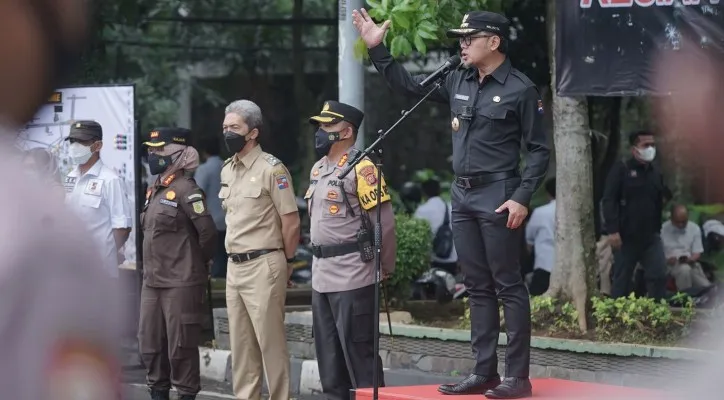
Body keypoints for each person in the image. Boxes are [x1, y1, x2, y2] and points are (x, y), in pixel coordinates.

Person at [352, 9, 550, 398]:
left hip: (500, 194)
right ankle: (484, 371)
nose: (461, 43)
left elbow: (539, 151)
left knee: (507, 284)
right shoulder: (458, 78)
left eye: (468, 37)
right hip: (462, 194)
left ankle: (518, 377)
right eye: (460, 38)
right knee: (475, 285)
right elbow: (410, 88)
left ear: (493, 42)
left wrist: (521, 198)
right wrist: (378, 49)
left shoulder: (520, 89)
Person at [0, 0, 124, 398]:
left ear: (98, 145)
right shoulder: (35, 225)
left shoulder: (103, 183)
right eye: (48, 18)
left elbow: (119, 227)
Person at [305, 100, 396, 400]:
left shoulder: (364, 168)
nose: (320, 132)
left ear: (346, 132)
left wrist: (384, 268)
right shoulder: (319, 168)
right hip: (322, 278)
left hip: (354, 276)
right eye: (319, 126)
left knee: (360, 360)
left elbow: (384, 224)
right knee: (329, 363)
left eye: (326, 126)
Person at [219, 99, 300, 400]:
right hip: (234, 267)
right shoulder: (228, 170)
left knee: (271, 344)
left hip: (264, 263)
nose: (228, 132)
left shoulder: (272, 170)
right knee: (241, 346)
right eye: (225, 127)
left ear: (252, 133)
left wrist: (288, 262)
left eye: (234, 127)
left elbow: (290, 223)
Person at [139, 127, 218, 400]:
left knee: (180, 348)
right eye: (150, 149)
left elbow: (208, 234)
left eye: (158, 150)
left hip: (181, 282)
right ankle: (158, 392)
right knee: (150, 345)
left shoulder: (187, 189)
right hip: (152, 282)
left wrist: (193, 265)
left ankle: (185, 394)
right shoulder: (156, 190)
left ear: (179, 154)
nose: (152, 154)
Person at [602, 130, 670, 301]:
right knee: (622, 279)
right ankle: (617, 316)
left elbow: (663, 196)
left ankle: (657, 312)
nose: (650, 148)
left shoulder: (655, 172)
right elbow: (609, 200)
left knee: (659, 274)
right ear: (634, 149)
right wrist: (613, 230)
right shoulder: (622, 169)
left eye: (653, 145)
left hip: (651, 235)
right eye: (646, 145)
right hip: (625, 235)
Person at [63, 120, 133, 278]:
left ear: (97, 145)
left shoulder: (110, 180)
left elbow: (122, 228)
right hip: (70, 270)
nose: (75, 146)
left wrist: (105, 254)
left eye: (82, 141)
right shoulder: (70, 177)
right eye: (73, 141)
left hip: (100, 272)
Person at [194, 137, 227, 278]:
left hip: (211, 220)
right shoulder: (228, 167)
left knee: (212, 257)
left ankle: (214, 283)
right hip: (228, 219)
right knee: (225, 255)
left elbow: (197, 195)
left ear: (204, 152)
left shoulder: (204, 169)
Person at [414, 178, 458, 276]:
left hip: (432, 260)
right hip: (452, 258)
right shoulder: (450, 208)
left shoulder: (422, 210)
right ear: (439, 191)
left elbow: (417, 235)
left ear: (423, 193)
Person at [661, 204, 710, 291]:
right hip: (670, 265)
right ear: (671, 219)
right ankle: (686, 298)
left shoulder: (694, 229)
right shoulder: (663, 230)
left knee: (705, 286)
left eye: (684, 222)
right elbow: (657, 253)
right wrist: (667, 260)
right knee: (684, 270)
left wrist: (690, 259)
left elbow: (697, 252)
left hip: (690, 263)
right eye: (678, 222)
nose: (680, 225)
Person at [525, 178, 556, 296]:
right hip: (569, 265)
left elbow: (529, 239)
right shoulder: (574, 211)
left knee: (536, 297)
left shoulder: (540, 212)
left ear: (548, 193)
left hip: (544, 263)